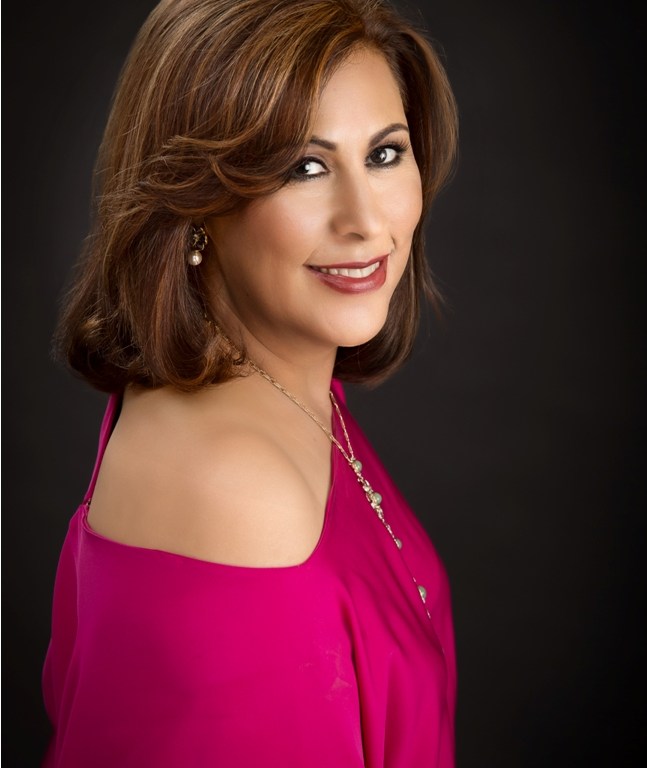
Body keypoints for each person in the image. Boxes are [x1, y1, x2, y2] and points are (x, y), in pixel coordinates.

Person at [42, 0, 459, 765]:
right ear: (197, 200)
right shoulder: (233, 486)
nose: (365, 221)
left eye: (385, 153)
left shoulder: (291, 387)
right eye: (305, 167)